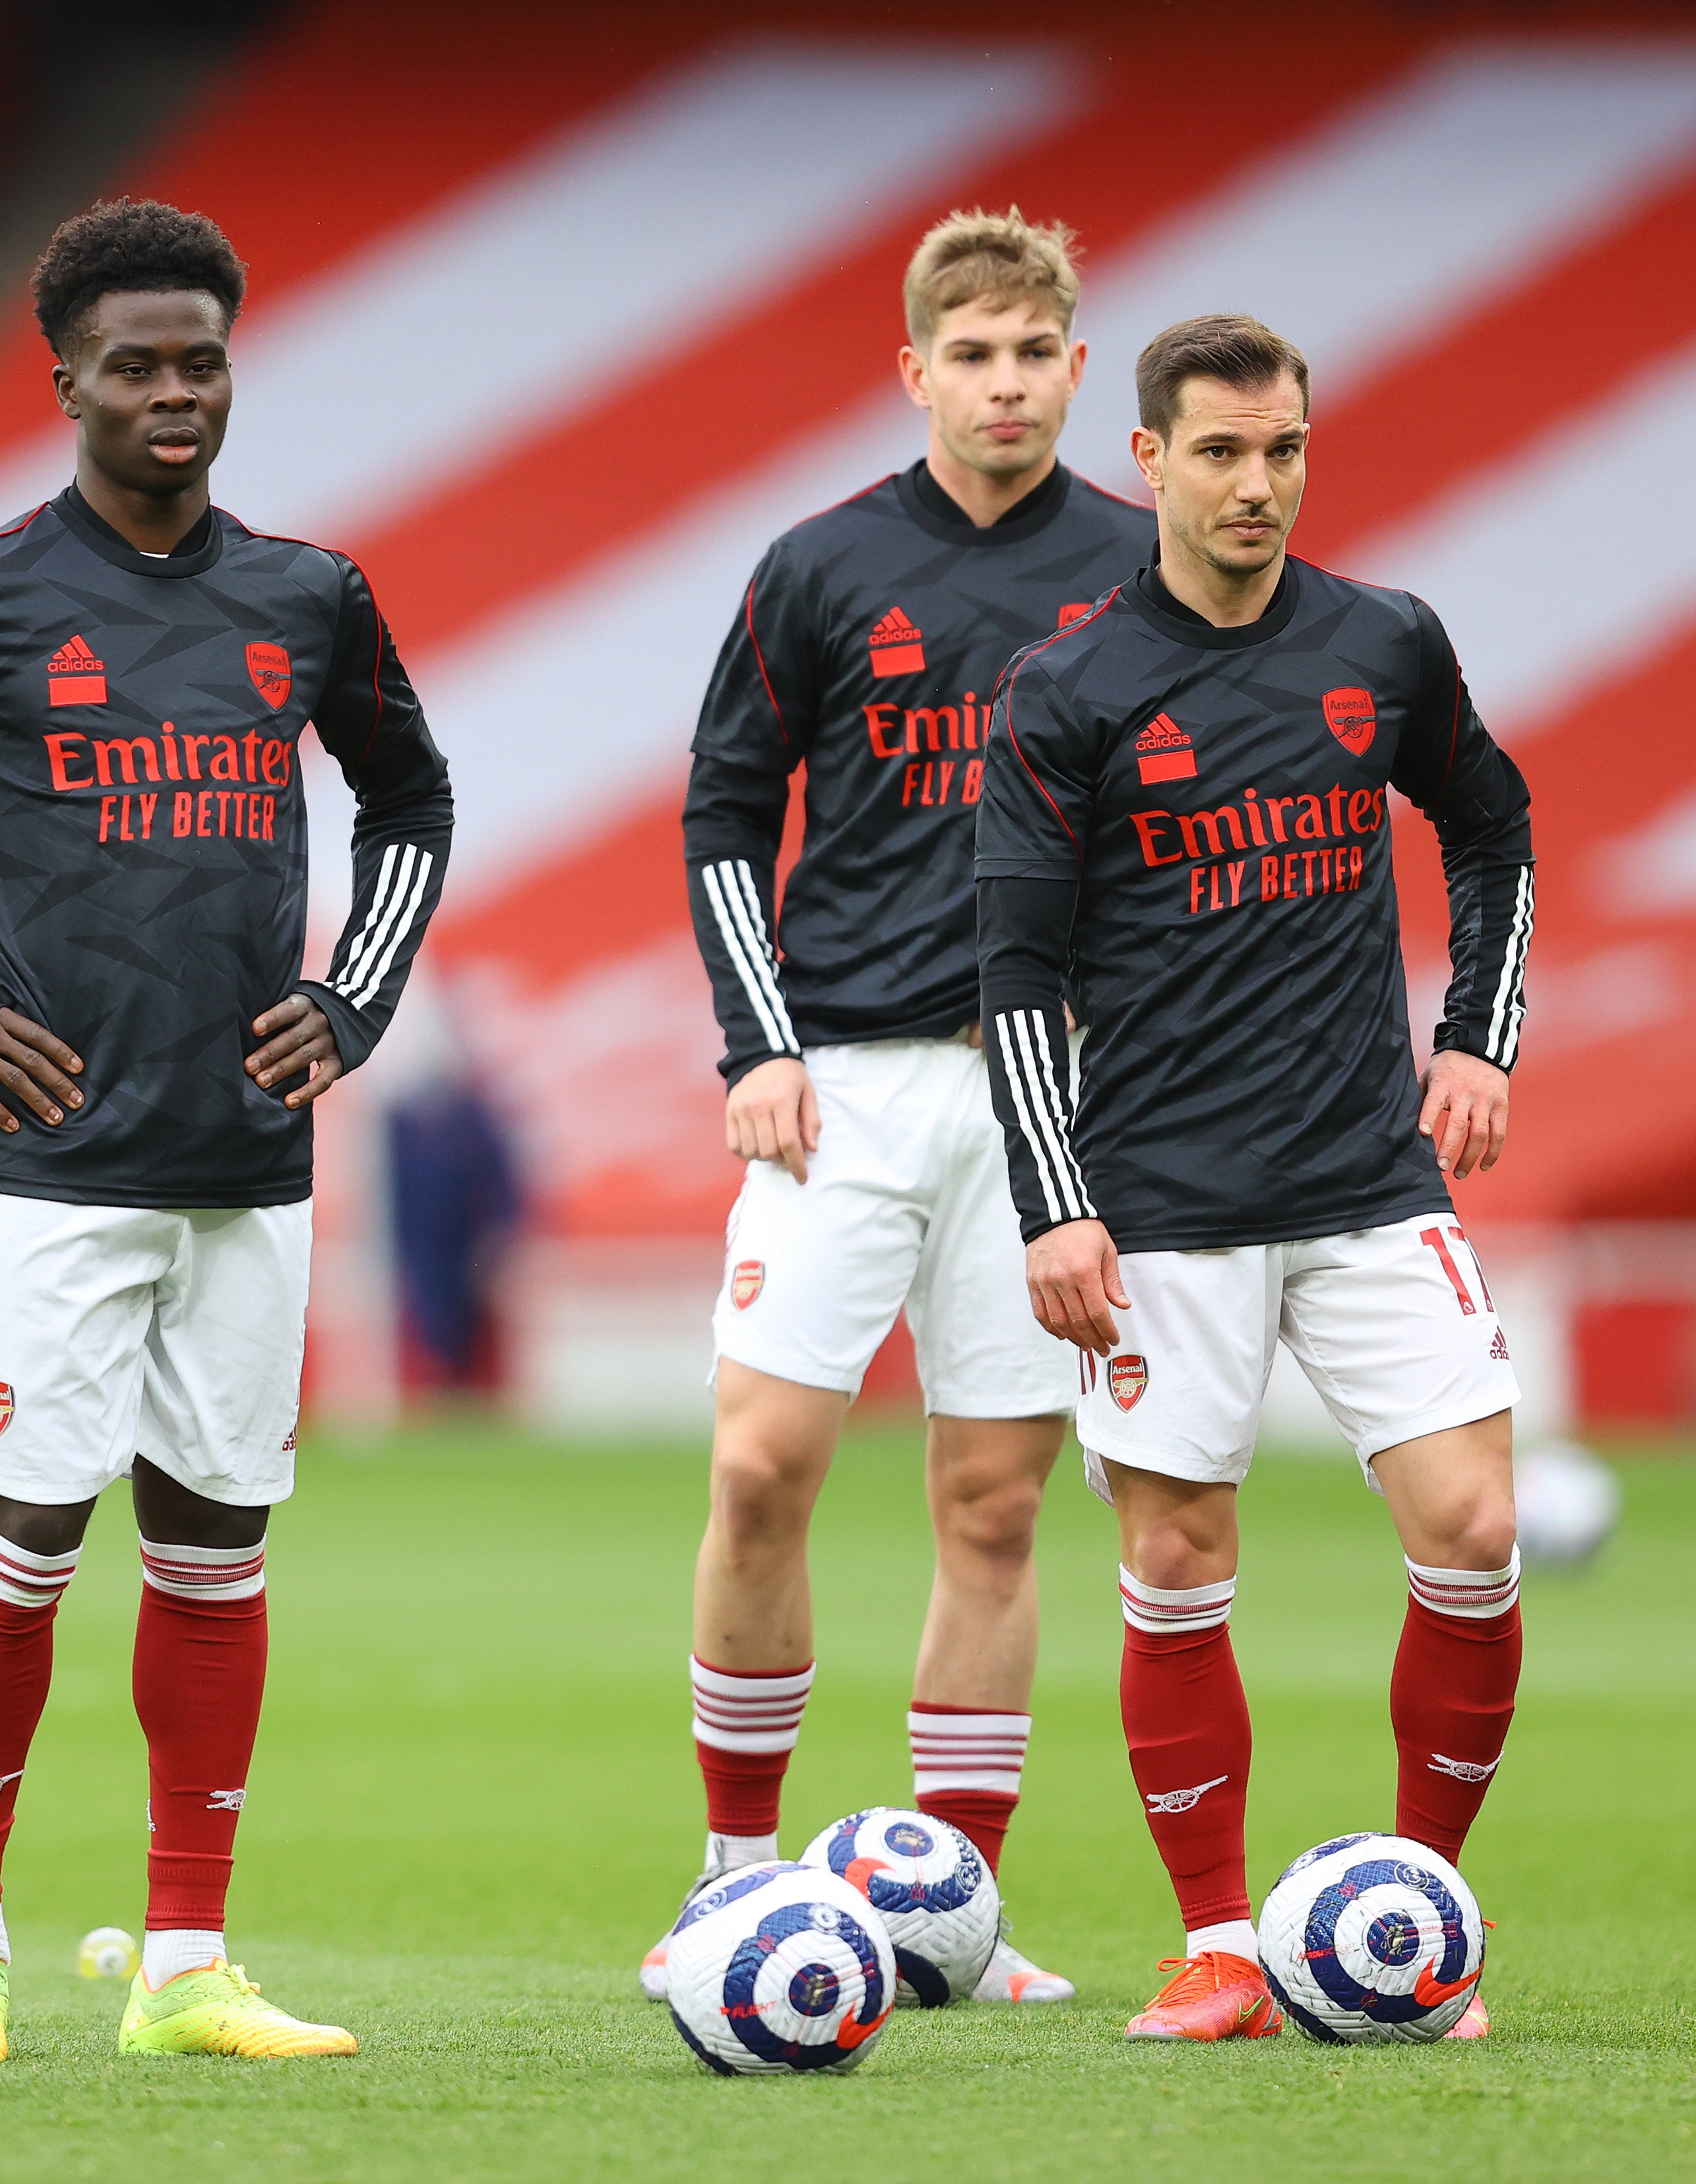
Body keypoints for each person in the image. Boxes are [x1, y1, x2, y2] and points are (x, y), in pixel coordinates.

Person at [0, 198, 452, 2065]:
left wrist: (355, 995)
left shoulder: (309, 597)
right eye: (138, 364)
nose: (176, 392)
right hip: (48, 1173)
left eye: (201, 358)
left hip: (249, 1167)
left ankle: (188, 1964)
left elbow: (416, 805)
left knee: (217, 1553)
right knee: (27, 1532)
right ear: (68, 384)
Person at [975, 313, 1534, 2042]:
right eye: (1221, 452)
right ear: (1147, 462)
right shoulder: (1067, 695)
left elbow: (1495, 825)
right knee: (1179, 1562)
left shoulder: (1387, 643)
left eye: (1283, 448)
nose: (1257, 482)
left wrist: (1480, 1038)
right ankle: (1220, 1947)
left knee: (1477, 1529)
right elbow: (1012, 977)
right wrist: (1054, 1202)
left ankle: (1419, 1920)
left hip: (1371, 1174)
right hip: (1163, 1202)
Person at [641, 209, 1151, 2006]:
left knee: (995, 1508)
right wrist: (755, 1043)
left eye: (1036, 354)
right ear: (916, 368)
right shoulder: (820, 565)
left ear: (1077, 372)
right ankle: (731, 1878)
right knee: (762, 1461)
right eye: (974, 353)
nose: (1005, 383)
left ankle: (954, 1913)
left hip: (1058, 1101)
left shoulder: (1147, 570)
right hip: (841, 1084)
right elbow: (722, 813)